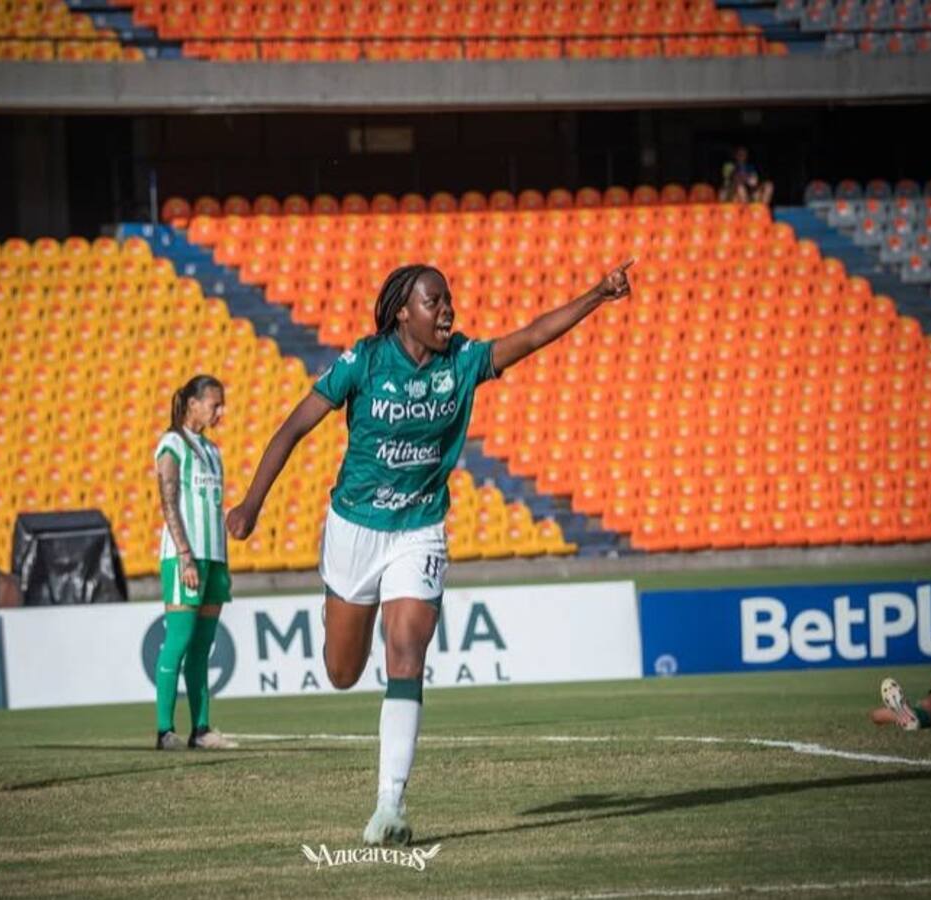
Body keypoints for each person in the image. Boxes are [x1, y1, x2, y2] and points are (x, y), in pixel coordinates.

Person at [226, 259, 633, 845]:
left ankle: (389, 806)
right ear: (402, 312)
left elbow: (535, 334)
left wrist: (597, 293)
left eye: (448, 300)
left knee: (407, 651)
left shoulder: (463, 362)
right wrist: (250, 504)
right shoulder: (362, 362)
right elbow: (292, 429)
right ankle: (339, 614)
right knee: (342, 672)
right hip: (354, 529)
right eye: (433, 302)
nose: (448, 310)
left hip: (419, 528)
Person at [153, 374, 238, 751]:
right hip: (184, 557)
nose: (220, 411)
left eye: (221, 404)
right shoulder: (172, 444)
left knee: (203, 647)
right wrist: (185, 555)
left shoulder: (213, 450)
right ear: (192, 404)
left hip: (214, 557)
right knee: (179, 640)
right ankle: (163, 731)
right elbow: (168, 500)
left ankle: (201, 730)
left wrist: (221, 558)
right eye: (214, 404)